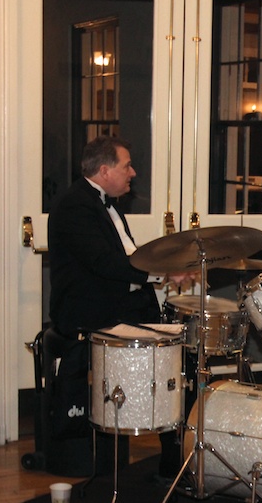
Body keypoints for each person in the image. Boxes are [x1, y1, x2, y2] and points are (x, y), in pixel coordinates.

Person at [48, 135, 193, 478]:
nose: (133, 172)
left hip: (120, 309)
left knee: (178, 357)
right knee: (169, 357)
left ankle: (174, 457)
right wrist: (161, 273)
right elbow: (104, 264)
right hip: (93, 315)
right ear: (104, 170)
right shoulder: (76, 206)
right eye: (126, 165)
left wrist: (164, 269)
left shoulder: (106, 204)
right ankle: (171, 460)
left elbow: (127, 257)